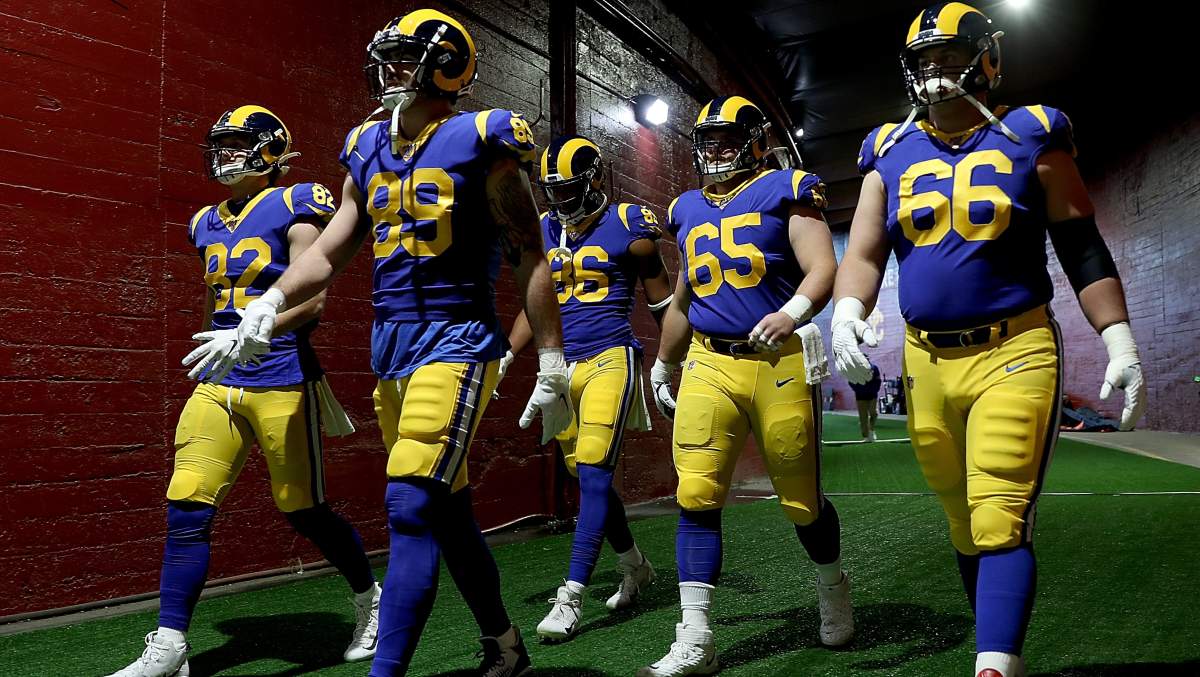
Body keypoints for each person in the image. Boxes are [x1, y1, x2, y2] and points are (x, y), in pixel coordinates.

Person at [199, 10, 572, 676]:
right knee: (447, 511)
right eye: (388, 56)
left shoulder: (480, 137)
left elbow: (528, 253)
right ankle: (505, 645)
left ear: (446, 65)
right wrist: (270, 302)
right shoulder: (366, 143)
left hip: (458, 339)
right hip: (391, 347)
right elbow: (333, 245)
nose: (388, 68)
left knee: (408, 504)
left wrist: (550, 357)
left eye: (405, 56)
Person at [830, 4, 1147, 675]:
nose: (936, 72)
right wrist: (847, 310)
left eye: (949, 56)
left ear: (987, 60)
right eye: (924, 61)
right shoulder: (888, 148)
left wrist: (1119, 340)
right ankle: (995, 646)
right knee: (963, 518)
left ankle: (995, 664)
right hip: (924, 358)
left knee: (998, 512)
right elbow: (863, 250)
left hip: (1015, 347)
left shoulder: (1031, 133)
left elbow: (1081, 245)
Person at [108, 105, 380, 677]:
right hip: (219, 381)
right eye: (220, 144)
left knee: (303, 509)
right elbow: (214, 302)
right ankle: (171, 644)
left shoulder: (296, 201)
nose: (224, 154)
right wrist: (218, 347)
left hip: (282, 377)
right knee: (187, 503)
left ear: (270, 150)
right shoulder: (204, 221)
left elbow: (314, 297)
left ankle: (368, 597)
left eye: (237, 143)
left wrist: (256, 332)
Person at [642, 96, 853, 676]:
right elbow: (684, 295)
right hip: (709, 361)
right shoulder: (686, 207)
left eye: (728, 139)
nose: (716, 151)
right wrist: (663, 362)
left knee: (800, 499)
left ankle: (832, 585)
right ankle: (695, 635)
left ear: (757, 141)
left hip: (776, 359)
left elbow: (822, 268)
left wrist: (792, 312)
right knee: (696, 491)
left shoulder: (787, 188)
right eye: (707, 141)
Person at [499, 135, 673, 642]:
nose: (560, 200)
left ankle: (571, 594)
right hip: (560, 368)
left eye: (568, 189)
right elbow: (537, 303)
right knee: (587, 480)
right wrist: (507, 354)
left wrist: (670, 364)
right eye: (552, 190)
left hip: (610, 357)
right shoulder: (545, 228)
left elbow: (663, 303)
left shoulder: (629, 225)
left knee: (595, 472)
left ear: (595, 179)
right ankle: (635, 564)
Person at [849, 361, 881, 442]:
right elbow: (850, 381)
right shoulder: (854, 369)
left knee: (873, 413)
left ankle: (871, 431)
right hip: (860, 395)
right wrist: (858, 389)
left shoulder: (874, 368)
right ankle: (866, 436)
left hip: (872, 394)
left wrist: (874, 390)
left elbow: (878, 380)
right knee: (863, 417)